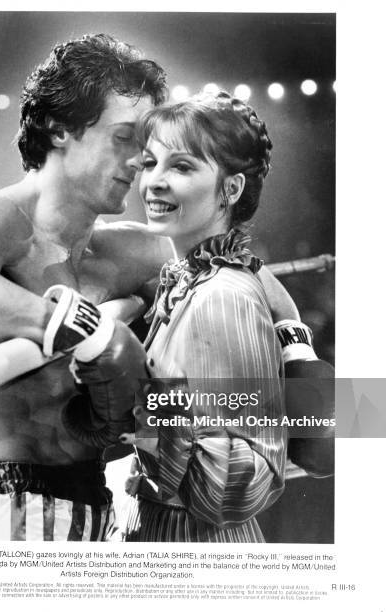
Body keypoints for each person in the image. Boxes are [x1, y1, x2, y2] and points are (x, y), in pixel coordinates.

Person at [0, 34, 301, 541]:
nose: (139, 162)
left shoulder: (134, 252)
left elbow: (243, 273)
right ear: (60, 127)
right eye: (125, 137)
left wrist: (301, 359)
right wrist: (79, 328)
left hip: (102, 521)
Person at [120, 91, 288, 542]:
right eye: (150, 162)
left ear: (230, 189)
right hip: (160, 534)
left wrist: (147, 399)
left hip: (199, 546)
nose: (153, 181)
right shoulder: (186, 284)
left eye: (181, 166)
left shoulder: (222, 295)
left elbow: (244, 484)